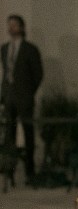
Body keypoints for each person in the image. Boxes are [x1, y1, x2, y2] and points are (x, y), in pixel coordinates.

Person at [1, 14, 43, 183]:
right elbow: (6, 73)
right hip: (9, 98)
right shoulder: (4, 49)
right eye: (9, 25)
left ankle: (30, 172)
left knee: (28, 133)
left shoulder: (30, 49)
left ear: (22, 28)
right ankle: (9, 171)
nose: (11, 28)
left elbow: (38, 74)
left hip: (24, 99)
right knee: (9, 135)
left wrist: (28, 92)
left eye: (14, 25)